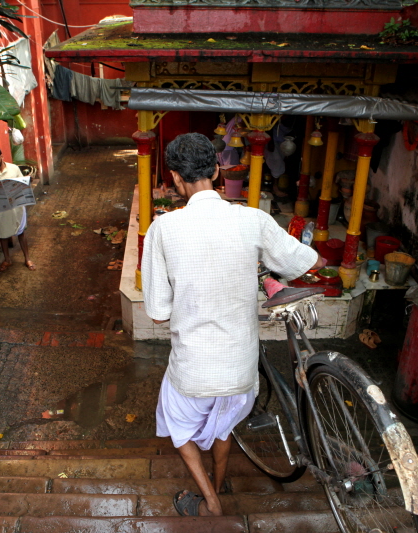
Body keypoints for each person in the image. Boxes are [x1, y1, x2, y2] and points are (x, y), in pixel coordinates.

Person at [142, 133, 325, 517]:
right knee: (224, 427)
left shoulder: (163, 229)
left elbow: (158, 312)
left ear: (175, 178)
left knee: (177, 426)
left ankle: (210, 500)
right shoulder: (252, 219)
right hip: (241, 374)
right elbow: (305, 261)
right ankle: (220, 480)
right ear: (218, 169)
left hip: (192, 373)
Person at [0, 147, 35, 272]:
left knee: (21, 232)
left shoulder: (14, 168)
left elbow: (21, 185)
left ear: (2, 156)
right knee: (2, 235)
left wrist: (28, 181)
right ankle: (7, 260)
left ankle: (27, 258)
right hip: (0, 209)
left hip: (15, 206)